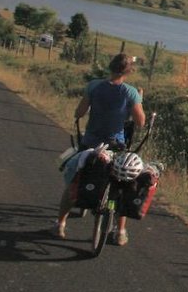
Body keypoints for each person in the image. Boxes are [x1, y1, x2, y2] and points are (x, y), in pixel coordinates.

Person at [53, 52, 146, 244]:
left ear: (110, 66)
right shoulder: (131, 92)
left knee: (76, 181)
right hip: (116, 146)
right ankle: (120, 232)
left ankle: (60, 224)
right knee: (120, 184)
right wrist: (138, 101)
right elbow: (140, 122)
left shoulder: (94, 86)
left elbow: (79, 113)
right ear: (128, 72)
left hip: (91, 143)